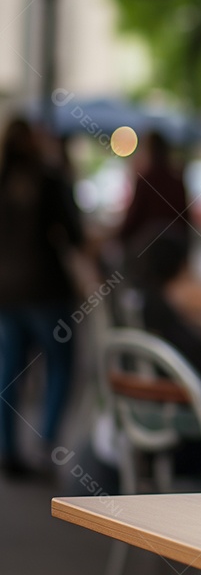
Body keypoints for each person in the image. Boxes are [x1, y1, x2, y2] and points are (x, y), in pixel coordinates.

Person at [0, 118, 85, 475]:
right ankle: (45, 445)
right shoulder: (49, 178)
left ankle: (8, 449)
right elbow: (74, 233)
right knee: (61, 365)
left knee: (10, 370)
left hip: (6, 292)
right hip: (45, 289)